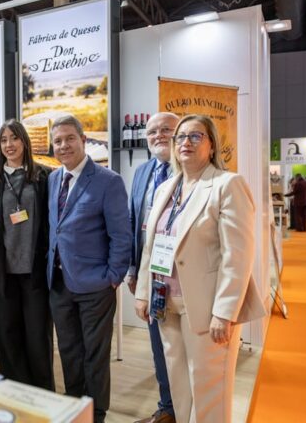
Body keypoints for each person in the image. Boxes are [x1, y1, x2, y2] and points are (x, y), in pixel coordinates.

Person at [134, 115, 266, 423]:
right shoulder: (166, 188)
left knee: (209, 390)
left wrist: (225, 311)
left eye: (195, 136)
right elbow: (151, 247)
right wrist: (143, 292)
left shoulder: (227, 184)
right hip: (165, 303)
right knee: (180, 386)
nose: (186, 143)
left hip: (208, 308)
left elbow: (237, 255)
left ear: (212, 145)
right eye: (180, 137)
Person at [47, 115, 131, 423]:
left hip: (96, 285)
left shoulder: (108, 181)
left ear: (83, 140)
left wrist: (113, 277)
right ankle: (75, 408)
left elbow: (122, 235)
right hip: (59, 283)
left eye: (70, 138)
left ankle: (96, 414)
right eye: (58, 141)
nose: (64, 145)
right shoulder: (53, 179)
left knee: (95, 355)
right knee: (69, 351)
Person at [0, 119, 54, 390]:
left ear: (24, 141)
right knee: (8, 337)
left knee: (37, 337)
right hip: (2, 271)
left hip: (35, 271)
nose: (9, 144)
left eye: (14, 138)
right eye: (3, 140)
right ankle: (15, 394)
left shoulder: (43, 176)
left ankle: (43, 396)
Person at [126, 112, 178, 423]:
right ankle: (167, 407)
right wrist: (134, 270)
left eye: (166, 130)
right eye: (152, 131)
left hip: (182, 274)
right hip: (150, 274)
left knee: (183, 347)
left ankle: (188, 408)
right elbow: (134, 221)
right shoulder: (142, 171)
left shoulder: (192, 171)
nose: (158, 135)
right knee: (158, 343)